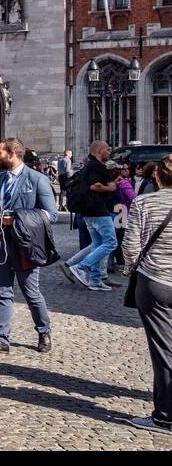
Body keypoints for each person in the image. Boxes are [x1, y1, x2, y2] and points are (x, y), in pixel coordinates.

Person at [0, 137, 57, 355]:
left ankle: (44, 331)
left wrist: (18, 217)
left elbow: (51, 215)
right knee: (2, 292)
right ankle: (1, 338)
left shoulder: (37, 179)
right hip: (0, 245)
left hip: (25, 245)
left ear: (12, 154)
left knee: (31, 293)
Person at [123, 154, 172, 436]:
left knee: (164, 351)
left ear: (157, 177)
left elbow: (130, 247)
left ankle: (165, 417)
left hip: (155, 282)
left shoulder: (145, 202)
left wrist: (132, 269)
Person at [62, 140, 120, 291]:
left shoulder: (89, 165)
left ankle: (95, 280)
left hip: (89, 211)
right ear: (100, 151)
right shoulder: (96, 166)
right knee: (111, 243)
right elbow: (95, 185)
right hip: (98, 210)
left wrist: (112, 185)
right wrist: (110, 187)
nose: (109, 152)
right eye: (108, 149)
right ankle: (81, 267)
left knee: (97, 244)